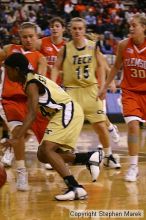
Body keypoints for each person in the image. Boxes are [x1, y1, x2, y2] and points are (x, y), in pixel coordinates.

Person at [3, 52, 104, 201]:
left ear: (16, 69)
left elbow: (31, 114)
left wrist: (16, 137)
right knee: (42, 155)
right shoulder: (29, 80)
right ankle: (88, 157)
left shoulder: (31, 84)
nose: (6, 73)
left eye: (8, 69)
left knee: (47, 149)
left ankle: (75, 187)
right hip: (61, 113)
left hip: (67, 111)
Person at [51, 17, 121, 169]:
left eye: (80, 28)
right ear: (70, 30)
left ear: (84, 30)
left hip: (90, 90)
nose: (77, 31)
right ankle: (62, 155)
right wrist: (52, 85)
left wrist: (102, 87)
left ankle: (109, 156)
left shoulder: (93, 46)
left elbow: (102, 66)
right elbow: (56, 67)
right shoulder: (65, 49)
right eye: (74, 28)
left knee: (101, 126)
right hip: (72, 91)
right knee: (67, 127)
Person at [0, 22, 48, 190]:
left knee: (46, 144)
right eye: (24, 37)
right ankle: (21, 172)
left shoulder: (40, 58)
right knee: (18, 132)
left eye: (31, 36)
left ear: (37, 37)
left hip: (29, 101)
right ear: (19, 37)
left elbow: (39, 79)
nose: (28, 40)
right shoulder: (9, 50)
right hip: (9, 101)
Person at [98, 13, 146, 182]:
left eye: (134, 25)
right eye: (130, 25)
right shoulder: (124, 45)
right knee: (133, 126)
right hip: (130, 92)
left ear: (144, 27)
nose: (131, 28)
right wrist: (105, 86)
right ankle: (133, 166)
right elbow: (116, 67)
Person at [36, 17, 66, 170]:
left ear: (63, 29)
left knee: (60, 121)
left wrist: (56, 70)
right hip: (44, 88)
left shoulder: (67, 46)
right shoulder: (42, 42)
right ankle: (50, 153)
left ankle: (58, 151)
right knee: (41, 120)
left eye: (57, 26)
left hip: (61, 88)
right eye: (52, 26)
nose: (54, 28)